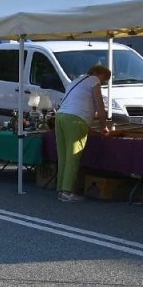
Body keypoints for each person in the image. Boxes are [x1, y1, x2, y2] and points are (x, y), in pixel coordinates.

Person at [54, 64, 111, 202]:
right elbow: (100, 105)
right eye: (104, 79)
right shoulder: (94, 80)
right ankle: (67, 192)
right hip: (75, 119)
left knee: (63, 156)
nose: (103, 82)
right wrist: (104, 126)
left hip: (60, 117)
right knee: (73, 156)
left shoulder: (75, 81)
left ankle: (61, 189)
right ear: (97, 73)